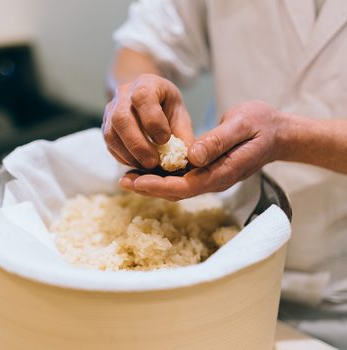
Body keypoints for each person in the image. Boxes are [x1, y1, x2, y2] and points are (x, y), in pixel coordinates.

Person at [102, 1, 347, 347]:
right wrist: (133, 97)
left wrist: (287, 136)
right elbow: (139, 48)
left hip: (339, 288)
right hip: (218, 262)